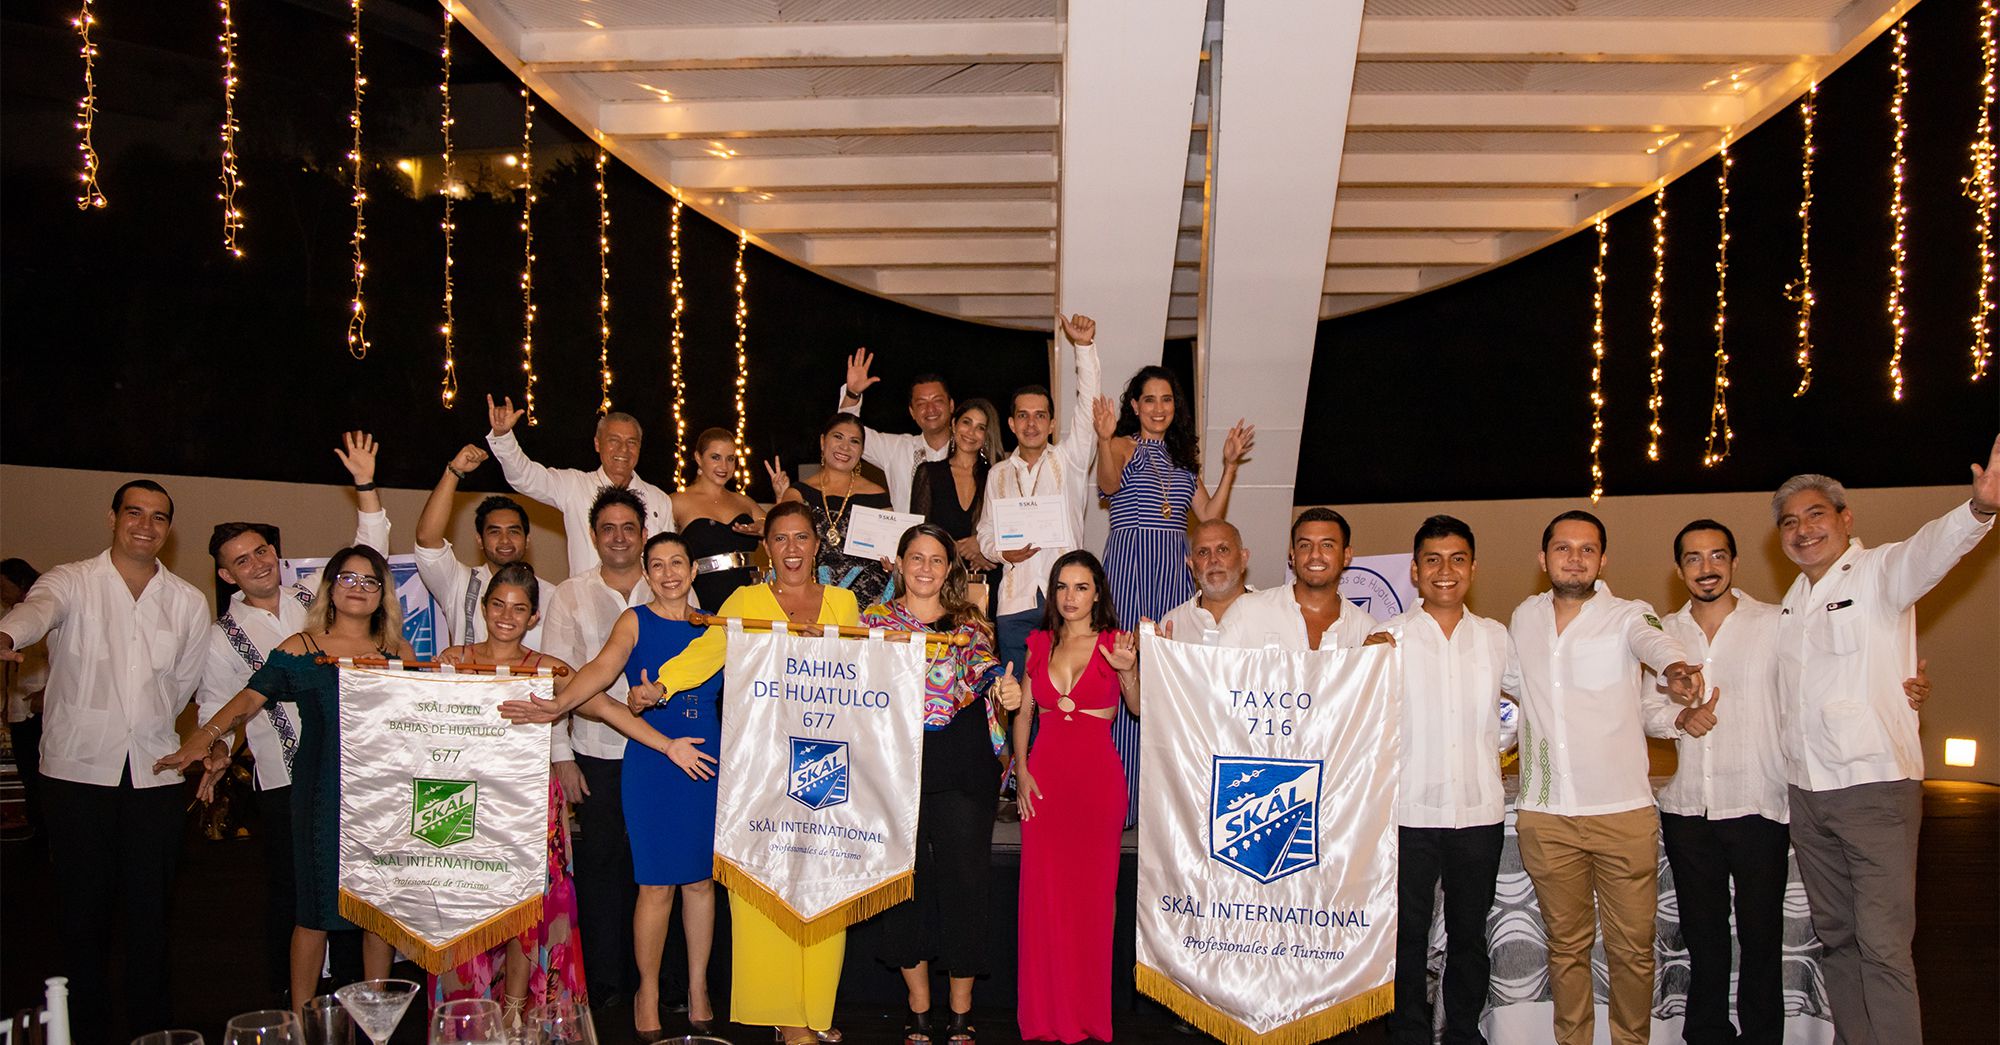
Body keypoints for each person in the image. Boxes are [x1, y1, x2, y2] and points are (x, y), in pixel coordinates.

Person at [517, 502, 858, 1045]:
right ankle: (689, 998)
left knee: (751, 882)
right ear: (766, 547)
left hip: (791, 760)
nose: (792, 548)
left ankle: (767, 1000)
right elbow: (690, 658)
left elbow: (864, 674)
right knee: (692, 887)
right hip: (713, 762)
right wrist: (619, 696)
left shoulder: (837, 603)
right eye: (780, 538)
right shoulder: (730, 607)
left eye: (802, 537)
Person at [1769, 439, 1997, 1045]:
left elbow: (1930, 550)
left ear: (1846, 519)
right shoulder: (1791, 604)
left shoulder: (1878, 573)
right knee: (1837, 939)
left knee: (1884, 946)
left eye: (1816, 514)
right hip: (1808, 795)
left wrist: (1978, 509)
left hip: (1873, 790)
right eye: (1789, 522)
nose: (1802, 529)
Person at [154, 545, 413, 1019]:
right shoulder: (301, 648)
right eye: (348, 578)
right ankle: (300, 1021)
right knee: (313, 912)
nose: (358, 588)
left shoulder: (399, 653)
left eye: (370, 581)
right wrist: (205, 738)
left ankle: (378, 1020)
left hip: (382, 796)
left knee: (378, 914)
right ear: (330, 587)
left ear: (383, 595)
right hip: (320, 794)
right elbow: (250, 698)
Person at [0, 480, 209, 1042]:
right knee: (81, 918)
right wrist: (6, 635)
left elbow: (184, 685)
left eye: (159, 517)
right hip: (77, 775)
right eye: (134, 512)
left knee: (151, 918)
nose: (146, 525)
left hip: (155, 775)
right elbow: (35, 612)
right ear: (113, 517)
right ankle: (85, 1031)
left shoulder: (188, 601)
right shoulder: (71, 580)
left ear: (169, 529)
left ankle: (151, 1031)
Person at [429, 562, 682, 1027]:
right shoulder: (452, 661)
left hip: (529, 803)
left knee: (527, 912)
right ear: (484, 608)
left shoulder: (548, 669)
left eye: (518, 609)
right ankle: (467, 1016)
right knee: (466, 907)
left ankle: (514, 1013)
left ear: (533, 617)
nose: (507, 616)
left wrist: (666, 745)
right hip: (462, 804)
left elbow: (605, 706)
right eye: (498, 605)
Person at [501, 535, 725, 1041]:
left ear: (693, 570)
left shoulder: (716, 625)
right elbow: (601, 671)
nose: (669, 573)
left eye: (677, 563)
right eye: (657, 565)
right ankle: (647, 990)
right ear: (646, 573)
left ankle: (697, 987)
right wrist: (558, 707)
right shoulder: (634, 621)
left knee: (700, 883)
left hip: (707, 763)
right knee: (655, 886)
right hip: (653, 762)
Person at [198, 431, 391, 999]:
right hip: (287, 778)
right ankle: (297, 1006)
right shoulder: (222, 636)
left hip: (361, 778)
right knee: (298, 897)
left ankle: (357, 1003)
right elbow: (223, 702)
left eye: (261, 551)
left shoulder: (317, 598)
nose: (256, 563)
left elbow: (367, 557)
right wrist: (216, 745)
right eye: (241, 560)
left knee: (361, 901)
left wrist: (365, 485)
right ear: (227, 575)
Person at [1501, 510, 1702, 1045]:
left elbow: (1656, 643)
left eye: (1587, 549)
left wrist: (1675, 669)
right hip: (1547, 816)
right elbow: (1512, 686)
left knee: (1631, 950)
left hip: (1622, 815)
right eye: (1563, 548)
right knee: (1565, 949)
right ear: (1543, 558)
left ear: (1603, 559)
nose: (1575, 558)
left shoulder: (1630, 614)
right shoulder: (1524, 616)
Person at [862, 524, 1017, 1045]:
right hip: (896, 765)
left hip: (961, 763)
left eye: (936, 559)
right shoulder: (873, 623)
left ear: (949, 568)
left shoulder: (969, 623)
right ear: (900, 563)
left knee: (965, 884)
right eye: (916, 558)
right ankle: (919, 1008)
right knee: (904, 883)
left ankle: (960, 1012)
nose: (925, 568)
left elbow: (985, 669)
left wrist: (1004, 688)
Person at [1376, 516, 1509, 1045]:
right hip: (1407, 811)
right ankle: (1407, 1031)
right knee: (1405, 936)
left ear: (1473, 568)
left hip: (1478, 812)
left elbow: (1533, 704)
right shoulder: (1387, 639)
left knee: (1469, 935)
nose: (1445, 570)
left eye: (1457, 559)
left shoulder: (1496, 637)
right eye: (1432, 560)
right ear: (1415, 570)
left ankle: (1463, 1032)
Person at [1008, 550, 1139, 1044]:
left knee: (1091, 901)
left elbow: (1138, 707)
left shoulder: (1115, 643)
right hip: (1043, 783)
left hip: (1096, 785)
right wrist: (1021, 771)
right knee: (1043, 900)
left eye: (1081, 587)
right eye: (1062, 586)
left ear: (1097, 593)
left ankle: (1086, 1015)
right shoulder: (1039, 642)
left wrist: (1128, 671)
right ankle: (1045, 1015)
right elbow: (1024, 712)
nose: (1070, 597)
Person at [538, 487, 652, 1010]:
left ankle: (657, 982)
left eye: (629, 528)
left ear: (644, 534)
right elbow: (557, 679)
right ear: (593, 536)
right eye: (608, 529)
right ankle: (606, 982)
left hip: (660, 751)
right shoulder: (570, 594)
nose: (619, 538)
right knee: (603, 867)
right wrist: (561, 754)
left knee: (653, 869)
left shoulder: (669, 583)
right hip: (596, 751)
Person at [976, 312, 1104, 677]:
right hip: (1013, 604)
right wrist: (1002, 552)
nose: (1031, 424)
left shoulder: (1070, 460)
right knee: (1015, 693)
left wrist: (1084, 348)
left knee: (1064, 693)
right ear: (1012, 423)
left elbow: (1088, 407)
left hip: (1064, 602)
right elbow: (985, 532)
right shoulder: (998, 474)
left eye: (1040, 416)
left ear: (1051, 423)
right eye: (1023, 416)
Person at [486, 395, 676, 574]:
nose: (623, 449)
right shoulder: (574, 486)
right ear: (597, 444)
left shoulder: (659, 499)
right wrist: (503, 436)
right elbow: (524, 477)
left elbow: (668, 556)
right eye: (614, 440)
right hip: (586, 596)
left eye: (631, 442)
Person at [413, 443, 558, 649]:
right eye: (494, 532)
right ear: (479, 540)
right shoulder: (459, 583)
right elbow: (426, 538)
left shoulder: (552, 596)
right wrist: (454, 471)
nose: (505, 540)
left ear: (527, 540)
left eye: (514, 531)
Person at [1216, 508, 1381, 652]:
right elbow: (1212, 672)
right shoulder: (1247, 611)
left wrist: (1376, 656)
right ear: (1293, 556)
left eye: (1327, 545)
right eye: (1305, 545)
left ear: (1346, 555)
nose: (1315, 554)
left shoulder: (1365, 629)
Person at [779, 414, 895, 606]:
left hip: (867, 604)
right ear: (823, 441)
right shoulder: (797, 494)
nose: (845, 447)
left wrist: (893, 563)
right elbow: (783, 542)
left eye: (854, 441)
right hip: (812, 600)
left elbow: (892, 550)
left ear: (862, 450)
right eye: (838, 437)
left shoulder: (877, 496)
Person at [836, 349, 955, 514]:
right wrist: (852, 394)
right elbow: (850, 432)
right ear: (912, 412)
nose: (930, 409)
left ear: (951, 405)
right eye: (921, 403)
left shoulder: (969, 449)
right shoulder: (897, 448)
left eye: (937, 400)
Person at [909, 399, 1003, 605]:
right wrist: (955, 548)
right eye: (966, 422)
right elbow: (919, 534)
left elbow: (1009, 528)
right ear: (953, 424)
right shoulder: (929, 473)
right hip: (939, 580)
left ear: (987, 435)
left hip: (988, 579)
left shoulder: (997, 475)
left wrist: (985, 547)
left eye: (980, 428)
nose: (971, 432)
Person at [670, 427, 766, 611]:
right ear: (698, 458)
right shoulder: (677, 502)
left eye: (730, 459)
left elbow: (780, 528)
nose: (724, 466)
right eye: (715, 457)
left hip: (748, 602)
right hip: (700, 602)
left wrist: (765, 526)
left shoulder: (744, 502)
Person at [0, 558, 48, 843]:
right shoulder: (10, 617)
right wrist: (6, 705)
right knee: (28, 773)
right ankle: (37, 828)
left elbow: (58, 661)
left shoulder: (44, 611)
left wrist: (46, 693)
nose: (1, 593)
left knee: (42, 774)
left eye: (3, 586)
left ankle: (49, 833)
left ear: (20, 583)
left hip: (40, 711)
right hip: (18, 710)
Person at [1159, 518, 1252, 645]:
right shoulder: (1172, 624)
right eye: (1203, 552)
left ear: (1243, 559)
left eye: (1223, 549)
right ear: (1192, 566)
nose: (1213, 559)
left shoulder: (1270, 614)